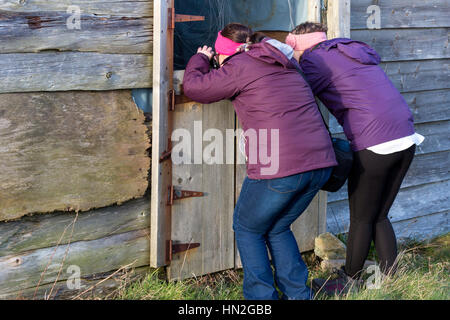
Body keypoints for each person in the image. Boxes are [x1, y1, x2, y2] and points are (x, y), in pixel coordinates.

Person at [183, 23, 337, 300]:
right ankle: (298, 294)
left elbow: (195, 88)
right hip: (320, 164)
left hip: (280, 166)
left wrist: (200, 59)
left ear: (223, 54)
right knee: (277, 227)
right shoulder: (283, 61)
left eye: (219, 56)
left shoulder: (239, 66)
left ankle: (261, 298)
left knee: (247, 229)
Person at [285, 22, 425, 294]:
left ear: (300, 46)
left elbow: (294, 94)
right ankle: (390, 277)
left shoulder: (314, 60)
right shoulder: (348, 51)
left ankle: (348, 281)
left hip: (375, 142)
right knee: (380, 214)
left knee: (361, 218)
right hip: (406, 137)